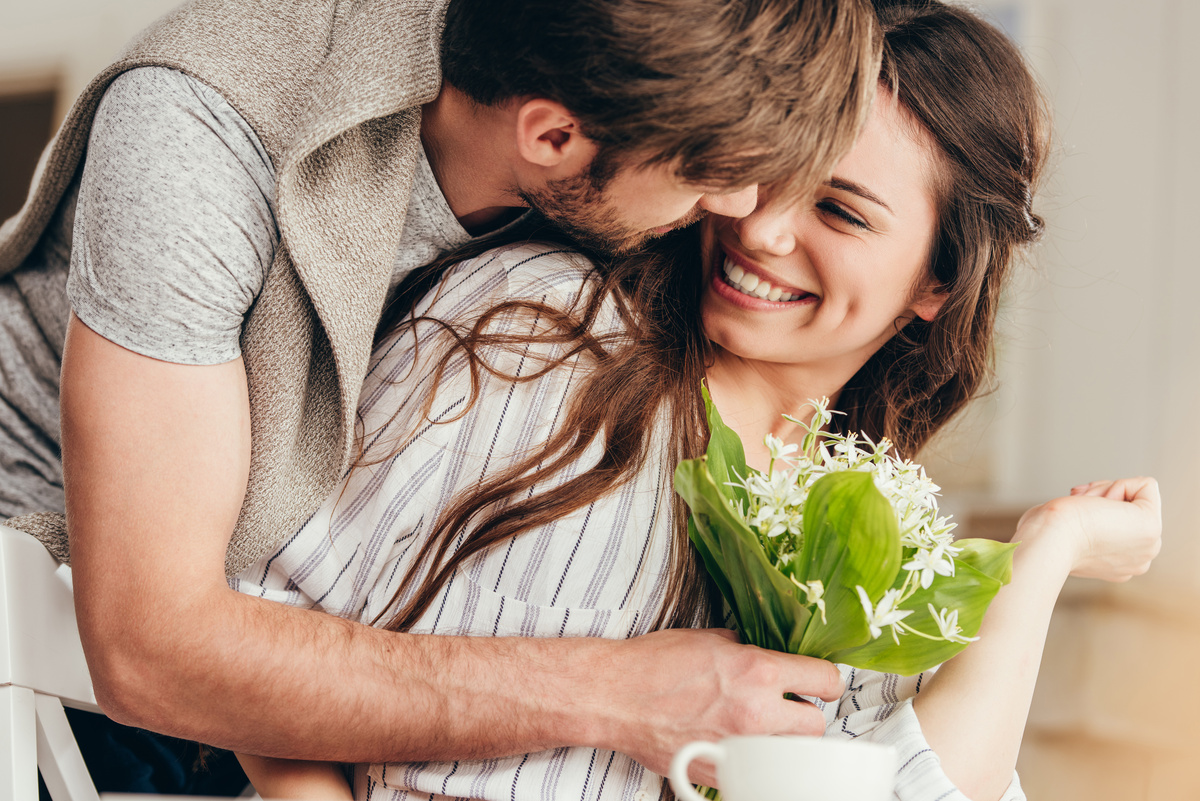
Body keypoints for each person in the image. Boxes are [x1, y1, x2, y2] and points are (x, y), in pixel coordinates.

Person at [222, 2, 1161, 800]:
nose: (761, 222)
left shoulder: (870, 523)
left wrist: (1045, 554)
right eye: (768, 168)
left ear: (938, 284)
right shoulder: (542, 331)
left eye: (838, 210)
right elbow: (266, 628)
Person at [0, 0, 882, 793]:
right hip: (54, 659)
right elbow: (153, 652)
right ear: (550, 137)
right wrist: (618, 693)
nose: (742, 211)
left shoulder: (604, 117)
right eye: (707, 173)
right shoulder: (198, 132)